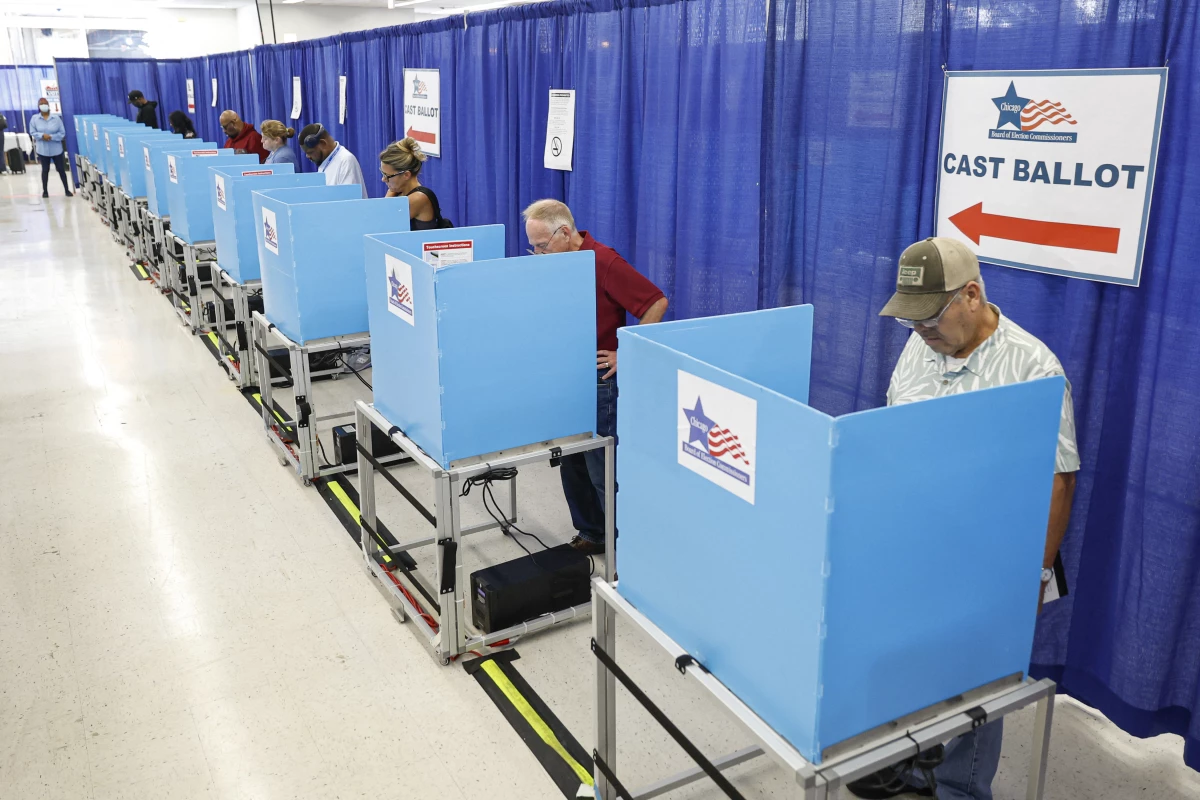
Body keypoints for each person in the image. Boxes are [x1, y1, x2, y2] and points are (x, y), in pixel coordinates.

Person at [852, 237, 1080, 800]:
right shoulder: (921, 343)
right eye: (911, 322)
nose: (920, 332)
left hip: (988, 554)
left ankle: (958, 789)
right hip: (917, 540)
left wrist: (1036, 573)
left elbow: (1060, 481)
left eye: (929, 318)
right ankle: (911, 761)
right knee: (914, 658)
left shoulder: (1032, 366)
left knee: (977, 678)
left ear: (971, 295)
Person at [523, 199, 668, 555]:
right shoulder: (559, 261)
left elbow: (656, 302)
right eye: (533, 248)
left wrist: (627, 350)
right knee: (570, 460)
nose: (538, 254)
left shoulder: (603, 261)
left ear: (565, 232)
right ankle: (592, 532)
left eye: (542, 246)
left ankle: (624, 547)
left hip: (597, 378)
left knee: (601, 467)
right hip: (566, 375)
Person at [379, 137, 448, 229]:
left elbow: (382, 224)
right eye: (383, 173)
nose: (383, 179)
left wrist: (389, 196)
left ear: (406, 175)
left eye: (387, 176)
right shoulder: (397, 191)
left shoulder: (418, 198)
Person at [299, 123, 366, 198]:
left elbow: (349, 202)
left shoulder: (346, 160)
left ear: (323, 143)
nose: (307, 156)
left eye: (310, 152)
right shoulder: (325, 162)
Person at [29, 98, 72, 199]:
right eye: (41, 104)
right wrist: (42, 135)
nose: (44, 105)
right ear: (39, 106)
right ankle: (45, 191)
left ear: (48, 105)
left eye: (45, 103)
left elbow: (62, 133)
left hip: (56, 149)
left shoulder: (56, 118)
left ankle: (67, 190)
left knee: (61, 169)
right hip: (42, 150)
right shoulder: (35, 119)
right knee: (45, 170)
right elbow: (32, 132)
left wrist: (51, 137)